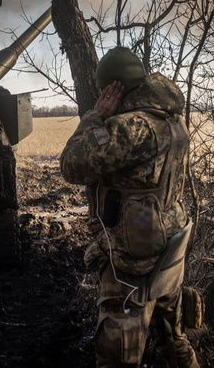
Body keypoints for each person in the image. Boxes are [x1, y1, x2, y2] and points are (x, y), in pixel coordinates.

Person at [60, 46, 199, 368]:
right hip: (169, 242)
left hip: (132, 258)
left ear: (113, 88)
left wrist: (95, 117)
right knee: (174, 338)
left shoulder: (132, 128)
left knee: (117, 354)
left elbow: (72, 166)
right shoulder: (172, 118)